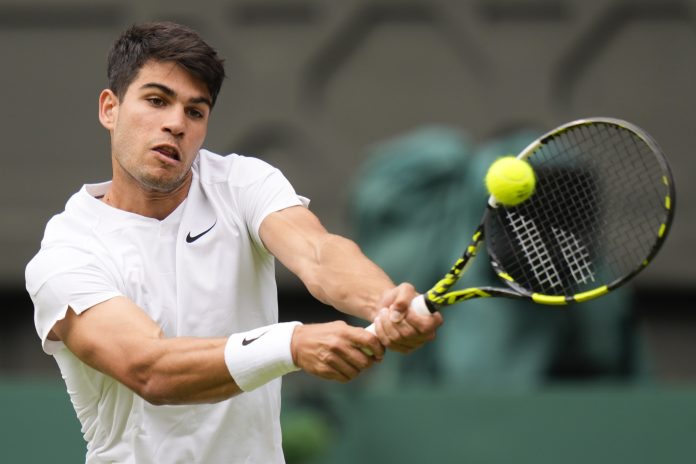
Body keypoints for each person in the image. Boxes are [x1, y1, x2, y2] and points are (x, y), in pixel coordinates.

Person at [24, 21, 442, 463]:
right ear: (110, 109)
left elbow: (318, 254)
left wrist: (383, 303)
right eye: (157, 100)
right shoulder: (66, 254)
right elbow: (149, 368)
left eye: (195, 111)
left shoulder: (241, 182)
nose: (175, 124)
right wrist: (290, 344)